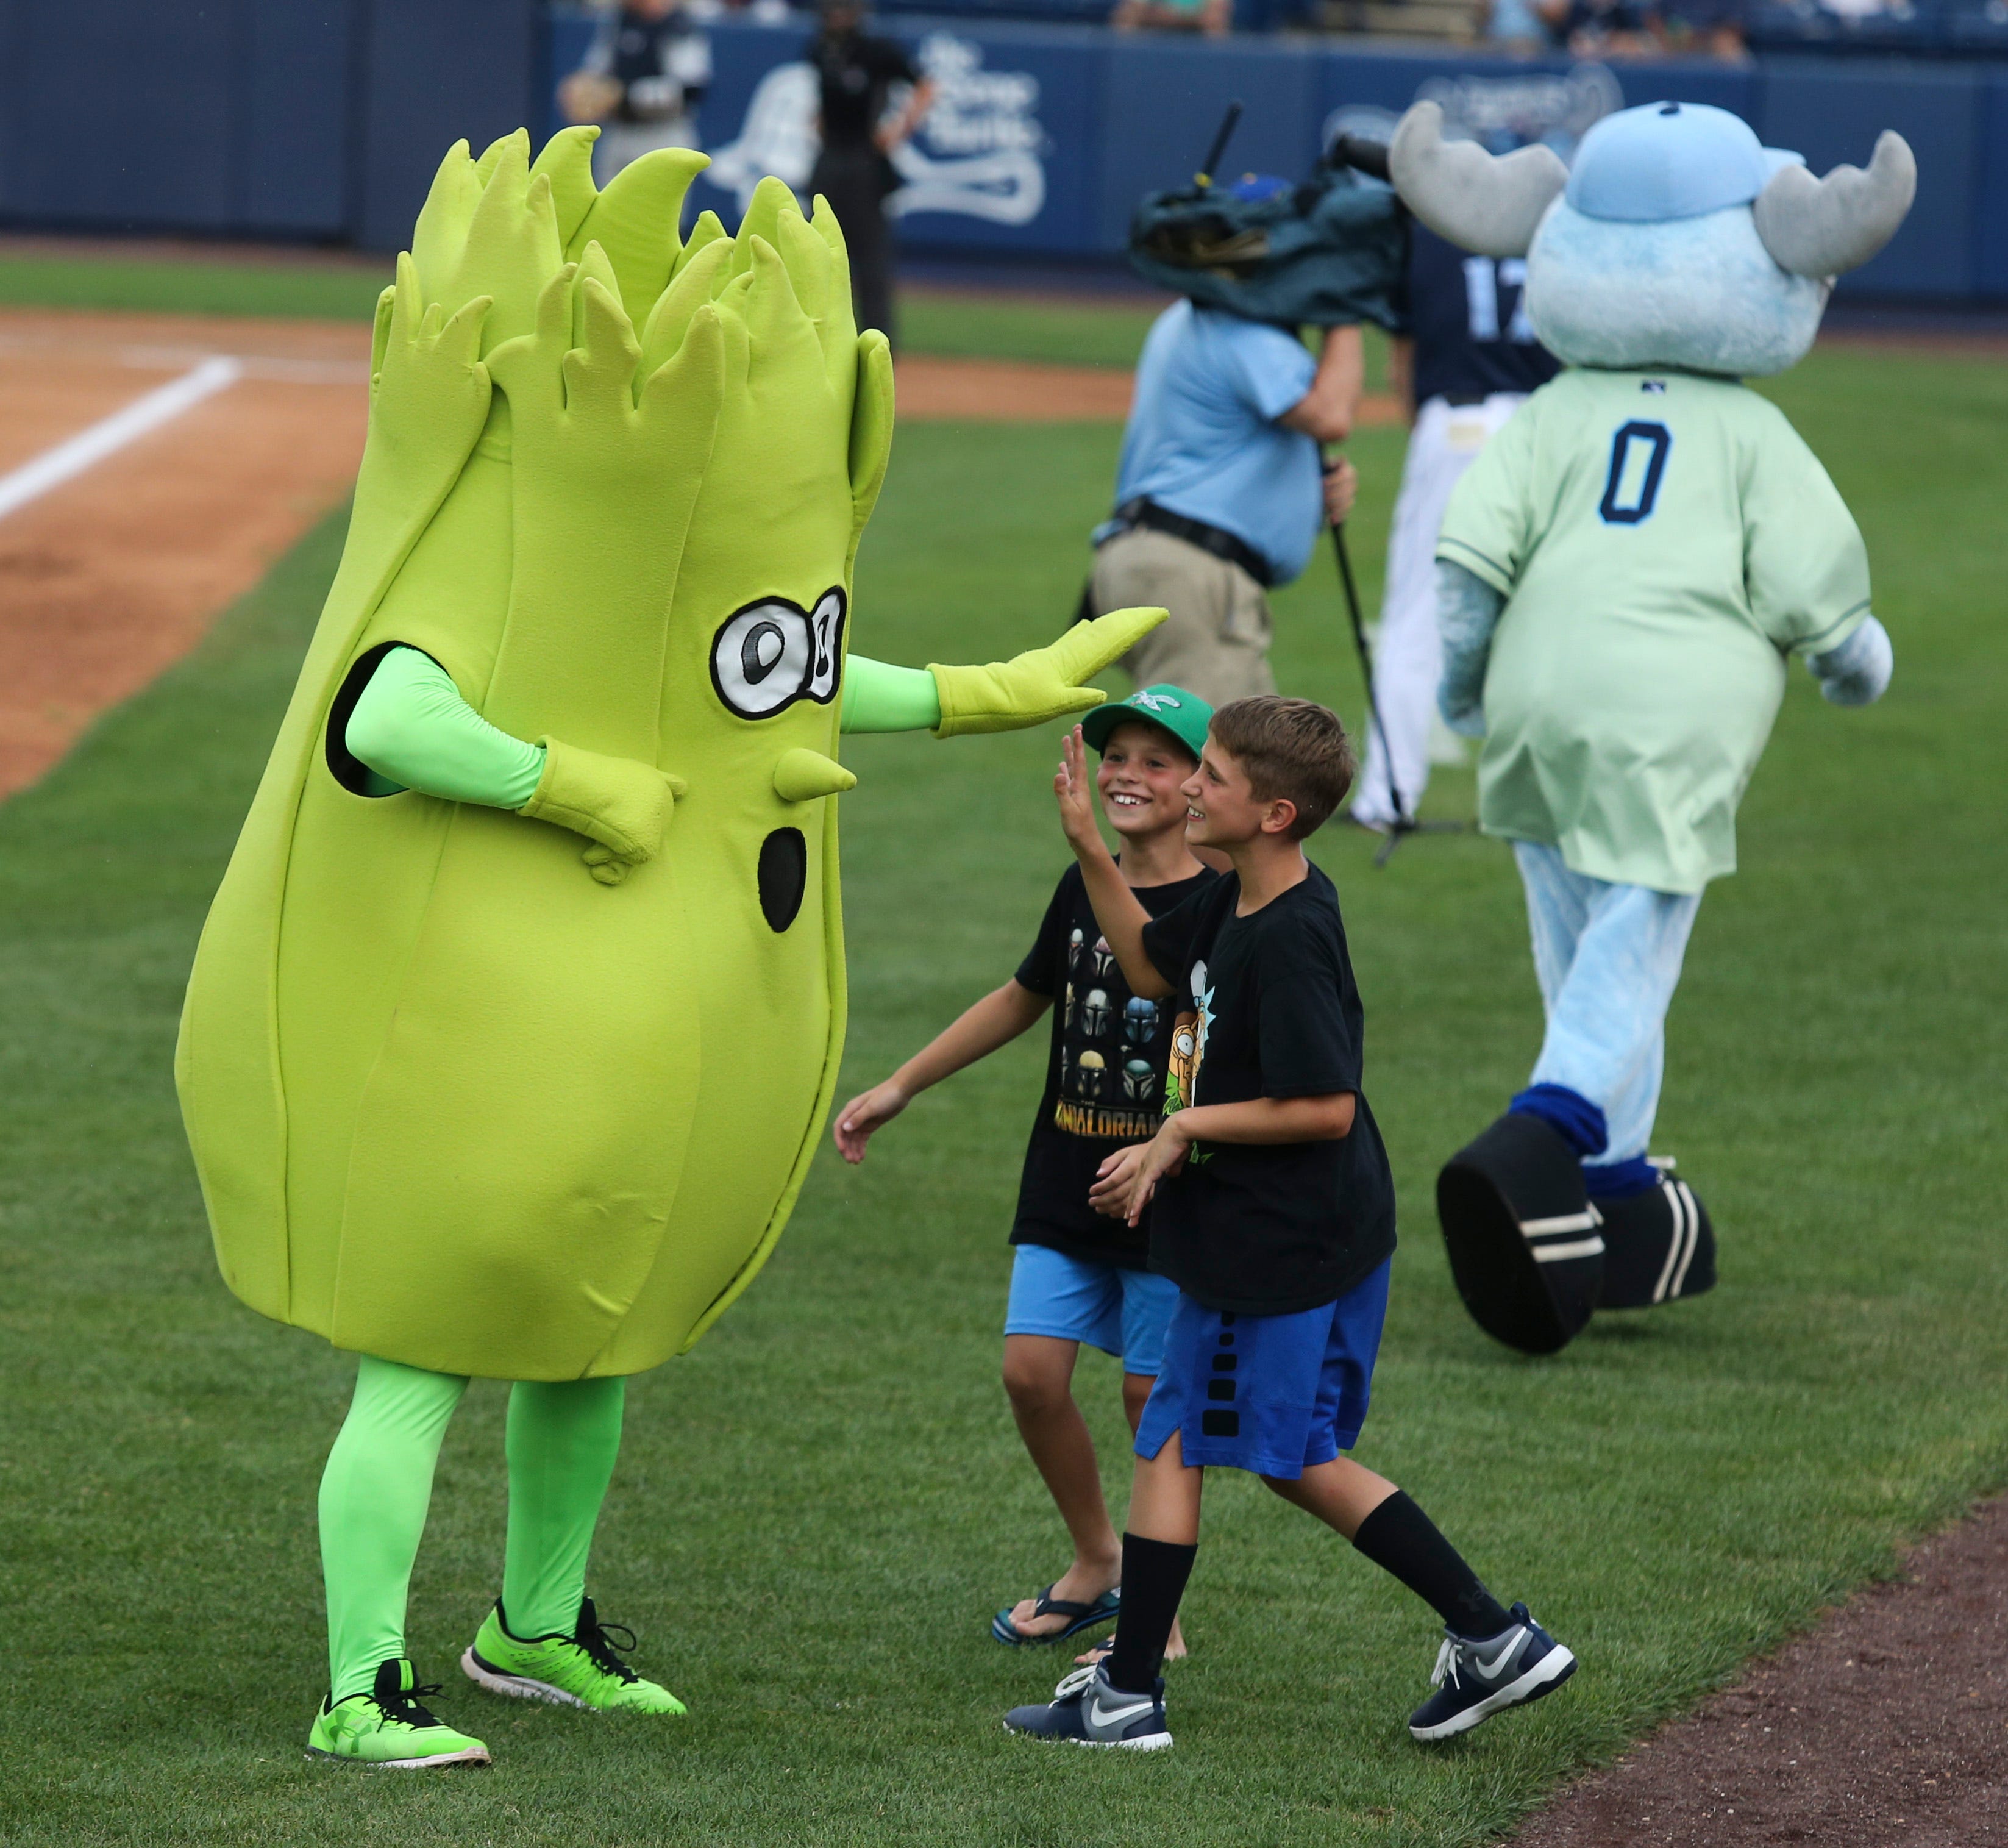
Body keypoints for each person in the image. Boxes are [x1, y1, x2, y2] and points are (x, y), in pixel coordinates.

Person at [1002, 696, 1576, 1748]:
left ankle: (1137, 1692)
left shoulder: (1293, 933)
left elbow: (1325, 1103)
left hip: (1283, 1245)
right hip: (1279, 1235)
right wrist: (1090, 847)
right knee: (1238, 1444)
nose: (1185, 787)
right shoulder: (1231, 902)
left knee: (1222, 1441)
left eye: (1207, 776)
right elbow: (1147, 966)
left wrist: (1178, 1131)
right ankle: (1485, 1638)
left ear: (1270, 813)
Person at [834, 687, 1216, 1655]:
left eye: (1155, 760)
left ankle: (1155, 1604)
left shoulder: (1218, 904)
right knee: (1030, 1373)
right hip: (1065, 1174)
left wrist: (1096, 852)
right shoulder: (1075, 886)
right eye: (1114, 754)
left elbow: (1168, 993)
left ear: (1201, 784)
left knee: (1147, 1398)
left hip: (1170, 1190)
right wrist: (900, 1084)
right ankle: (1097, 1560)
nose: (1125, 773)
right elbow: (1023, 994)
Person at [1348, 226, 1558, 833]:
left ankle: (1389, 795)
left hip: (1457, 423)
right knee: (1548, 616)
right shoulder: (1554, 230)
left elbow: (1402, 362)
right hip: (1548, 427)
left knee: (1417, 617)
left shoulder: (1431, 233)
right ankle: (1547, 798)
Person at [1087, 307, 1361, 708]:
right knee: (1195, 759)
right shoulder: (1242, 328)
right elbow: (1332, 416)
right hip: (1192, 573)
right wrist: (1345, 309)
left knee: (1254, 758)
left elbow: (1224, 444)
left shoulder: (1187, 319)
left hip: (1155, 557)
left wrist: (1308, 489)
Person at [806, 0, 936, 347]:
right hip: (829, 157)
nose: (835, 16)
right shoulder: (819, 49)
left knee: (871, 259)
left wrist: (897, 129)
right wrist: (818, 124)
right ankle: (817, 339)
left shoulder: (876, 51)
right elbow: (822, 98)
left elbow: (926, 85)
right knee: (816, 250)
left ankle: (880, 343)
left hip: (865, 160)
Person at [560, 0, 713, 184]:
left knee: (656, 209)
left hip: (663, 136)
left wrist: (626, 95)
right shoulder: (620, 20)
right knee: (607, 208)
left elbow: (690, 91)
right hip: (619, 132)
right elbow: (597, 68)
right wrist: (582, 87)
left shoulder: (678, 26)